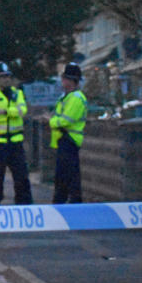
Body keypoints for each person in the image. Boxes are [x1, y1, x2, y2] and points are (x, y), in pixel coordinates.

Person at [0, 62, 33, 205]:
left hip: (15, 142)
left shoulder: (17, 93)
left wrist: (4, 111)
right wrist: (12, 112)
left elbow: (22, 112)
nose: (6, 79)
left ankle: (24, 204)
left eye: (8, 76)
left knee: (22, 176)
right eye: (2, 77)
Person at [50, 63, 87, 204]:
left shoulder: (76, 98)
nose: (62, 81)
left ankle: (67, 205)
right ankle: (63, 203)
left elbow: (66, 120)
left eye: (64, 78)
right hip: (64, 140)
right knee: (64, 177)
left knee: (67, 177)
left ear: (70, 80)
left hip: (69, 140)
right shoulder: (67, 97)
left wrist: (51, 121)